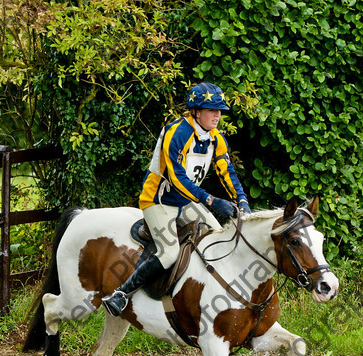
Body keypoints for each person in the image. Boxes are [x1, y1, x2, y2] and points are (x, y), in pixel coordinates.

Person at [102, 82, 251, 317]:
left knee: (217, 238)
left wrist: (241, 200)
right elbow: (177, 178)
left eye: (219, 110)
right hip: (158, 201)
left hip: (185, 202)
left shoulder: (216, 138)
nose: (218, 115)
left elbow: (226, 172)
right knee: (169, 253)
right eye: (212, 110)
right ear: (196, 111)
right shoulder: (177, 132)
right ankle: (121, 294)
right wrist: (211, 201)